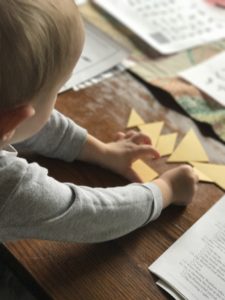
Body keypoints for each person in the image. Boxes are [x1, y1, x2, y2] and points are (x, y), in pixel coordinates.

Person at [0, 0, 198, 243]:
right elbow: (88, 215)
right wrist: (166, 190)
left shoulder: (8, 119)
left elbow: (25, 122)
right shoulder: (8, 190)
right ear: (10, 123)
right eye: (57, 90)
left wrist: (102, 152)